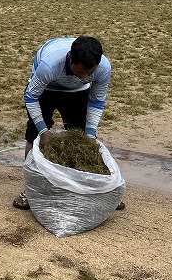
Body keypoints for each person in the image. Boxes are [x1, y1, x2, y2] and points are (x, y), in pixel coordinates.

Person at [13, 35, 120, 210]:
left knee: (82, 137)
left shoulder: (103, 68)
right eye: (80, 72)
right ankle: (31, 190)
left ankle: (93, 189)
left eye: (89, 73)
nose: (84, 76)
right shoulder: (49, 65)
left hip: (77, 93)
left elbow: (97, 101)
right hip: (46, 89)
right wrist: (43, 131)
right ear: (70, 58)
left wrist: (90, 134)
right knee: (34, 136)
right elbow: (31, 97)